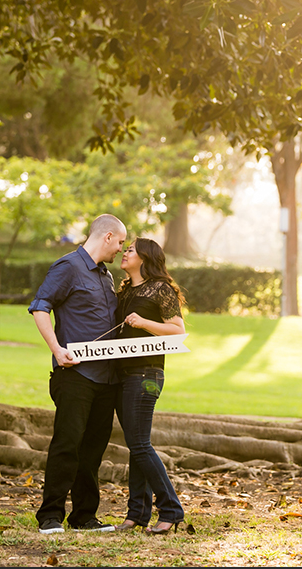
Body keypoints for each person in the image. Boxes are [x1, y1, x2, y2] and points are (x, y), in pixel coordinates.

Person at [28, 214, 127, 534]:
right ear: (108, 236)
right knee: (67, 445)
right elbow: (40, 307)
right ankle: (50, 516)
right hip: (75, 377)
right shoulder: (67, 267)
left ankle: (84, 516)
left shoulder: (105, 276)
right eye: (121, 243)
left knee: (93, 451)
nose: (121, 250)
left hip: (107, 380)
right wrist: (57, 350)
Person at [113, 237, 187, 535]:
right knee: (135, 445)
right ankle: (137, 513)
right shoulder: (126, 289)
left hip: (147, 375)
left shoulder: (161, 288)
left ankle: (171, 509)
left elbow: (177, 331)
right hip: (123, 373)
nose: (123, 252)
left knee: (140, 445)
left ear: (144, 257)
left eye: (129, 250)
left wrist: (144, 323)